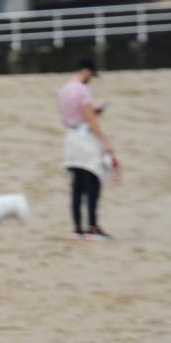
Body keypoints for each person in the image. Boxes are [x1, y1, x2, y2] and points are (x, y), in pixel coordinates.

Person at [58, 59, 119, 240]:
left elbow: (70, 117)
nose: (90, 79)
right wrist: (106, 142)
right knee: (92, 182)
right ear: (85, 71)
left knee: (76, 185)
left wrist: (93, 113)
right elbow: (90, 119)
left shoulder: (63, 90)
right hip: (85, 139)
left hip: (71, 139)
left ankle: (77, 228)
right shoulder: (83, 90)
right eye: (91, 75)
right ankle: (93, 227)